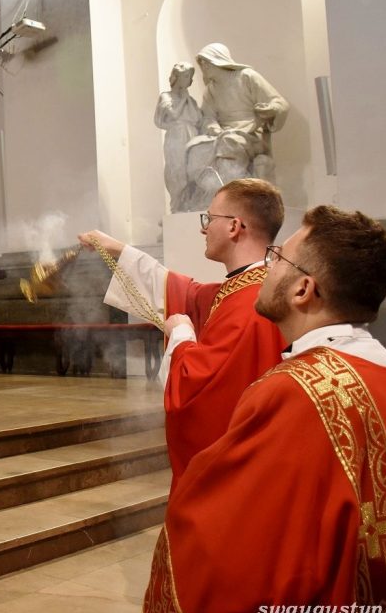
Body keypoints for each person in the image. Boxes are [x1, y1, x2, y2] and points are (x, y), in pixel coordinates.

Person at [142, 206, 386, 613]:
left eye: (277, 258)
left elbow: (238, 552)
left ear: (303, 289)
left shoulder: (293, 392)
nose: (266, 267)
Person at [77, 178, 286, 487]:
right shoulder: (253, 289)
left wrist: (181, 334)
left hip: (233, 476)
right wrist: (118, 249)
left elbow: (195, 391)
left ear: (234, 226)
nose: (204, 229)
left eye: (209, 219)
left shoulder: (248, 306)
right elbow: (185, 292)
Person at [182, 43, 289, 209]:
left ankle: (232, 199)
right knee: (195, 148)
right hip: (222, 134)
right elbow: (208, 117)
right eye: (201, 62)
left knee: (230, 142)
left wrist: (270, 109)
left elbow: (279, 102)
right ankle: (207, 197)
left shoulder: (247, 76)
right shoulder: (211, 89)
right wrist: (213, 127)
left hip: (251, 133)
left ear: (217, 60)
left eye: (205, 62)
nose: (202, 66)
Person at [153, 62, 202, 213]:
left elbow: (197, 119)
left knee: (191, 169)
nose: (189, 80)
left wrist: (188, 100)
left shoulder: (191, 101)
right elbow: (173, 114)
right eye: (186, 76)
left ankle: (190, 203)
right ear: (177, 77)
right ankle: (177, 204)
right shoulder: (166, 96)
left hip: (191, 134)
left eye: (190, 77)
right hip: (176, 136)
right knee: (177, 169)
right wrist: (184, 100)